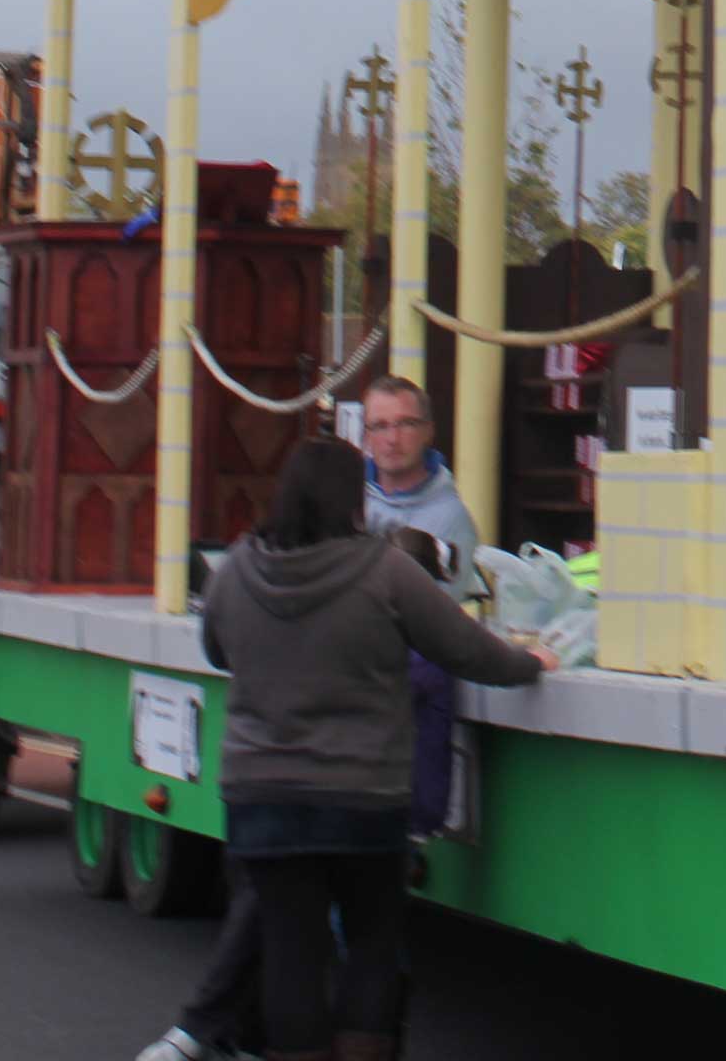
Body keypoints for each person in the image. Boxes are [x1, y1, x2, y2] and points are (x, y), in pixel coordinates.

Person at [200, 436, 550, 1061]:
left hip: (263, 795)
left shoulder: (237, 570)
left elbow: (216, 650)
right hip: (362, 794)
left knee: (289, 950)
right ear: (350, 501)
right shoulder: (385, 571)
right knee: (371, 943)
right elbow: (465, 650)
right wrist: (530, 663)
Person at [360, 376, 480, 581]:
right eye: (380, 426)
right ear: (367, 436)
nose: (392, 439)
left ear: (428, 431)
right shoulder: (347, 502)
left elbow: (438, 601)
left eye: (407, 424)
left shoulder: (452, 520)